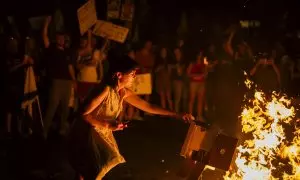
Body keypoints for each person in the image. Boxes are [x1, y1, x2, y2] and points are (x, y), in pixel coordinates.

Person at [68, 55, 194, 180]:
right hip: (86, 134)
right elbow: (82, 114)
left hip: (100, 134)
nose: (134, 76)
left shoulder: (123, 92)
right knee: (90, 172)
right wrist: (107, 125)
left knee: (89, 173)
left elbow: (148, 106)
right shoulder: (105, 90)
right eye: (132, 73)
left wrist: (176, 114)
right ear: (119, 75)